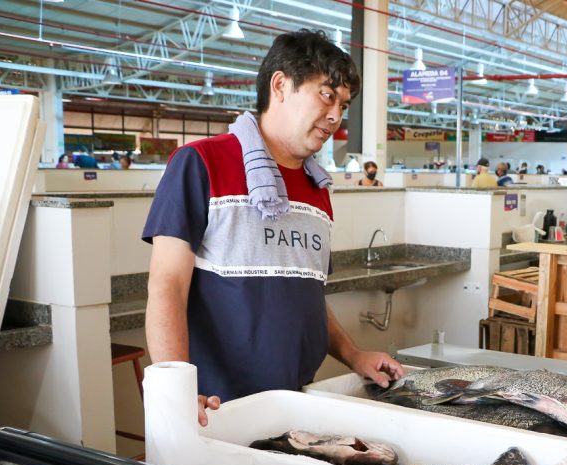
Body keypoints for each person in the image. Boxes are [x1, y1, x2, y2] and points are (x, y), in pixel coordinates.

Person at [143, 29, 404, 426]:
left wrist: (354, 355)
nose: (336, 116)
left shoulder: (316, 189)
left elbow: (306, 297)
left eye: (344, 104)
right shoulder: (200, 163)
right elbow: (166, 286)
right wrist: (176, 389)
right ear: (280, 85)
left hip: (293, 399)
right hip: (215, 406)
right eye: (327, 94)